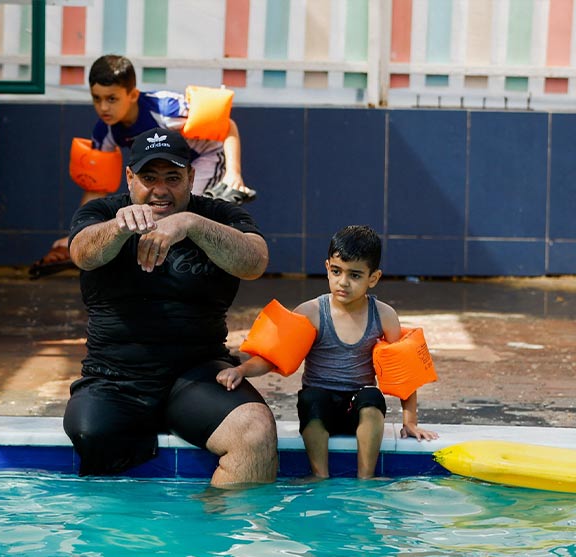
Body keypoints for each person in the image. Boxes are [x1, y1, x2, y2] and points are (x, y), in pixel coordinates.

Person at [62, 127, 277, 487]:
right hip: (115, 378)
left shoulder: (216, 215)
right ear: (129, 177)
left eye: (173, 178)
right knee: (89, 432)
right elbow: (81, 253)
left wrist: (191, 224)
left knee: (254, 433)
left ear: (191, 178)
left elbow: (254, 262)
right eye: (148, 177)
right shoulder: (103, 212)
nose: (160, 190)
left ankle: (208, 535)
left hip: (198, 375)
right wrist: (119, 228)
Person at [216, 225, 439, 479]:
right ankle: (319, 475)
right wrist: (241, 370)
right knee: (312, 398)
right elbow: (272, 357)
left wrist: (409, 421)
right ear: (327, 268)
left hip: (359, 407)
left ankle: (366, 477)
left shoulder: (384, 316)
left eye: (355, 275)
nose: (343, 282)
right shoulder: (311, 312)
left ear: (373, 278)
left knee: (371, 397)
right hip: (320, 409)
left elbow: (404, 371)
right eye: (336, 271)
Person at [30, 54, 257, 278]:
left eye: (112, 98)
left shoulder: (166, 109)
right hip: (162, 172)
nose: (103, 107)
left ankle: (192, 274)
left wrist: (233, 175)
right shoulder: (105, 130)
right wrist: (77, 233)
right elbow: (97, 186)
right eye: (96, 98)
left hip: (204, 157)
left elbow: (227, 126)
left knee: (183, 214)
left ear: (133, 94)